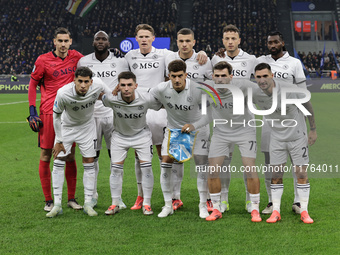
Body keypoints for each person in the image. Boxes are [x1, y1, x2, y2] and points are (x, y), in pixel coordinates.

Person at [125, 24, 207, 211]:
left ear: (153, 37)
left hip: (162, 111)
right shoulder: (129, 57)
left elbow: (186, 54)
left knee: (171, 155)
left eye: (147, 36)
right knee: (140, 156)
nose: (144, 39)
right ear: (136, 38)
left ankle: (175, 197)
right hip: (140, 111)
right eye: (141, 36)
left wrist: (202, 52)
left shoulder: (165, 54)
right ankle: (141, 196)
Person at [185, 61, 261, 222]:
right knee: (212, 171)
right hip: (221, 133)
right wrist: (194, 125)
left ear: (231, 77)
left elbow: (268, 92)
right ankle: (217, 207)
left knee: (250, 169)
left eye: (223, 76)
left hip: (245, 131)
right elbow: (207, 115)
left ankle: (255, 208)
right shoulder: (207, 89)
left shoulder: (244, 86)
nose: (220, 79)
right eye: (217, 76)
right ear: (212, 76)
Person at [257, 31, 317, 214]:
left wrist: (312, 127)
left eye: (276, 42)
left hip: (293, 119)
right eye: (270, 42)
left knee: (296, 161)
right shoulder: (262, 60)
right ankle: (271, 202)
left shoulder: (294, 63)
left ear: (282, 43)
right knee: (270, 161)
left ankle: (298, 202)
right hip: (270, 119)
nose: (273, 45)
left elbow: (302, 95)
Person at [27, 27, 83, 212]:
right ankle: (48, 200)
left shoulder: (76, 57)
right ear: (54, 42)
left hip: (70, 113)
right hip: (49, 113)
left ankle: (71, 198)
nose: (63, 44)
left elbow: (94, 63)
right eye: (60, 41)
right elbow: (33, 83)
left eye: (66, 41)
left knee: (69, 156)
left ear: (70, 41)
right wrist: (32, 111)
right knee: (46, 155)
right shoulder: (43, 60)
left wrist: (114, 53)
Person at [46, 66, 111, 218]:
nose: (83, 85)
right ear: (74, 80)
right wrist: (59, 140)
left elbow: (111, 94)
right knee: (58, 162)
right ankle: (57, 204)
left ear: (91, 82)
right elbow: (56, 116)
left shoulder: (99, 84)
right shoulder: (63, 93)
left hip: (87, 128)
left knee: (89, 162)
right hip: (66, 128)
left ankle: (88, 203)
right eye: (80, 81)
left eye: (86, 82)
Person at [150, 60, 210, 218]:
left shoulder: (198, 90)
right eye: (173, 76)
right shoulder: (161, 89)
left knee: (201, 165)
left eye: (180, 76)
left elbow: (210, 114)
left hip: (198, 130)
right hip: (174, 131)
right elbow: (149, 101)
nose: (176, 80)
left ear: (186, 75)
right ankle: (168, 204)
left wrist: (194, 125)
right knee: (165, 162)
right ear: (168, 76)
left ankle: (203, 205)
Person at [77, 31, 129, 209]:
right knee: (93, 156)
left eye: (104, 39)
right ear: (93, 42)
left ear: (109, 42)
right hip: (91, 115)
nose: (100, 41)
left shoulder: (120, 61)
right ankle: (92, 195)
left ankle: (118, 197)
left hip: (113, 114)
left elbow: (125, 82)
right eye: (97, 39)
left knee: (116, 156)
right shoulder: (84, 61)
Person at [100, 71, 162, 216]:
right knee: (115, 169)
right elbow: (98, 96)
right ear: (118, 86)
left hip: (142, 135)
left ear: (136, 86)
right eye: (123, 85)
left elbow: (164, 104)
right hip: (119, 136)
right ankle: (114, 203)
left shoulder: (146, 99)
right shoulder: (110, 98)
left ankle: (146, 203)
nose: (126, 88)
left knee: (146, 168)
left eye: (129, 85)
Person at [164, 28, 213, 211]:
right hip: (178, 118)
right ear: (176, 42)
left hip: (199, 118)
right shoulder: (167, 59)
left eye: (188, 41)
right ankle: (176, 197)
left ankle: (207, 198)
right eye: (181, 41)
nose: (184, 44)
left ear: (194, 42)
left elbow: (212, 84)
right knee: (177, 159)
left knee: (202, 159)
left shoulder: (204, 61)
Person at [211, 24, 258, 213]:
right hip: (223, 120)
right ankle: (223, 199)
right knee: (223, 163)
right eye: (226, 39)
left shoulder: (251, 59)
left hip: (245, 120)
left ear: (239, 40)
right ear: (222, 41)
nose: (230, 42)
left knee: (249, 164)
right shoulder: (215, 58)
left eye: (233, 38)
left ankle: (249, 200)